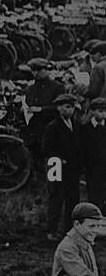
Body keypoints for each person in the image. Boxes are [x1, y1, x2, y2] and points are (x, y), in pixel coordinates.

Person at [42, 92, 83, 240]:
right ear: (59, 108)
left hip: (72, 167)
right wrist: (59, 159)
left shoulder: (76, 125)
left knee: (73, 197)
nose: (70, 110)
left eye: (72, 107)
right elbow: (47, 149)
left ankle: (69, 229)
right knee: (56, 197)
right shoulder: (52, 127)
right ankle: (51, 230)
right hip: (56, 166)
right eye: (66, 107)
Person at [24, 58, 64, 147]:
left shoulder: (57, 87)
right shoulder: (30, 89)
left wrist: (41, 109)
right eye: (33, 71)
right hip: (34, 128)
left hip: (51, 126)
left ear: (46, 70)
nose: (35, 74)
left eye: (38, 70)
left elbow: (60, 108)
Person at [83, 98, 106, 210]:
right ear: (92, 111)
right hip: (92, 169)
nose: (104, 114)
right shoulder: (85, 129)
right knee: (93, 196)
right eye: (100, 111)